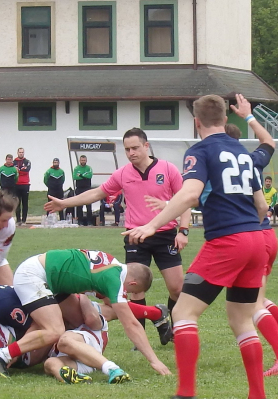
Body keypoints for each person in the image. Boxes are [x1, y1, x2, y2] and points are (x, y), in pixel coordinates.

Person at [127, 94, 272, 399]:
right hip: (256, 238)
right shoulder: (242, 151)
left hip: (227, 241)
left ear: (196, 122)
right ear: (225, 120)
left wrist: (151, 225)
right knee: (241, 319)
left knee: (183, 313)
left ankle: (185, 396)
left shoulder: (200, 151)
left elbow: (191, 194)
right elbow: (261, 205)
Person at [45, 128, 190, 345]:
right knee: (135, 288)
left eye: (135, 148)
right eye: (127, 149)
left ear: (146, 146)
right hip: (135, 236)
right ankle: (140, 340)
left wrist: (183, 230)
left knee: (177, 288)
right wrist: (64, 203)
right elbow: (96, 193)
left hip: (165, 234)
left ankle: (173, 330)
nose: (131, 153)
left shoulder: (168, 169)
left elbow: (184, 199)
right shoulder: (122, 174)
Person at [0, 248, 172, 378]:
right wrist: (154, 360)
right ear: (132, 283)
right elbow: (131, 324)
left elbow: (107, 301)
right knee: (55, 330)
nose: (127, 294)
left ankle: (72, 353)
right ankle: (1, 357)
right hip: (34, 277)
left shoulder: (112, 263)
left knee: (80, 319)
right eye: (130, 292)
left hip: (51, 278)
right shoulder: (114, 280)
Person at [226, 99, 278, 376]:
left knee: (251, 304)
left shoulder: (217, 165)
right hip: (267, 236)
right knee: (259, 298)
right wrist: (249, 116)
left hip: (248, 237)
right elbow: (269, 141)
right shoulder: (251, 159)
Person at [43, 320, 131, 385]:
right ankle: (72, 379)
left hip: (87, 343)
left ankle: (112, 369)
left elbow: (98, 315)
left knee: (64, 341)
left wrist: (83, 300)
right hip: (77, 360)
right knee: (50, 363)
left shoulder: (85, 305)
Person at [73, 155, 94, 226]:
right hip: (79, 189)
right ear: (79, 161)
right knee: (79, 206)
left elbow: (89, 176)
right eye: (82, 160)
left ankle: (89, 222)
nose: (83, 161)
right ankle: (80, 222)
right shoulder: (76, 168)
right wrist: (84, 176)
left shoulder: (88, 168)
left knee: (88, 206)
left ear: (86, 161)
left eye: (84, 160)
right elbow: (75, 177)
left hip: (87, 188)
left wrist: (81, 175)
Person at [13, 148, 31, 225]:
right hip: (16, 184)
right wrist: (21, 170)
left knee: (25, 203)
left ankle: (24, 220)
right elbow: (14, 171)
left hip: (25, 184)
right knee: (17, 202)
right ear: (17, 153)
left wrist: (19, 170)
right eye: (20, 152)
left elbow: (26, 170)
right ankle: (18, 220)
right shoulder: (14, 162)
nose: (21, 153)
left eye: (22, 152)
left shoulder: (27, 161)